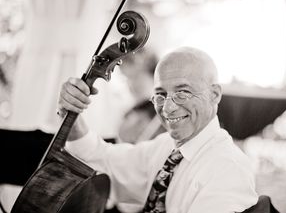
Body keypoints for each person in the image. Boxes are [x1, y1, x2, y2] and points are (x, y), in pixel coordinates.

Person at [58, 46, 258, 213]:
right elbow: (104, 160)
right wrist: (72, 118)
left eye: (183, 92)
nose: (168, 107)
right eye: (160, 95)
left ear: (214, 95)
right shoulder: (166, 148)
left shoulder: (229, 169)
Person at [117, 48, 165, 144]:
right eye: (127, 79)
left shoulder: (165, 112)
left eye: (136, 77)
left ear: (154, 75)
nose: (131, 85)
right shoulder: (131, 114)